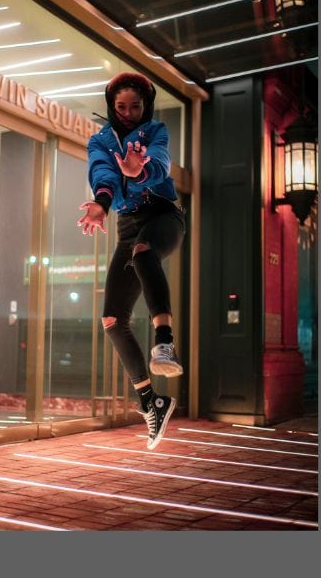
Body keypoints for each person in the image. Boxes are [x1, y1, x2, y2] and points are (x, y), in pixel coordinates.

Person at [78, 72, 185, 449]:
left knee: (144, 253)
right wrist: (101, 203)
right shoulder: (100, 141)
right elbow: (102, 171)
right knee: (111, 319)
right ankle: (151, 400)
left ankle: (165, 342)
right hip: (127, 225)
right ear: (111, 106)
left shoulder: (156, 131)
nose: (127, 113)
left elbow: (160, 163)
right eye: (120, 107)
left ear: (146, 106)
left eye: (134, 107)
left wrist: (140, 170)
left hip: (162, 216)